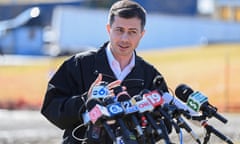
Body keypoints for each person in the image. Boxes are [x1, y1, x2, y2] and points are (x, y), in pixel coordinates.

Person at [41, 0, 170, 143]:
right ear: (109, 29)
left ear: (142, 34)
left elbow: (166, 123)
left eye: (132, 32)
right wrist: (86, 99)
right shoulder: (79, 64)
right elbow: (51, 108)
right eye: (119, 30)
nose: (124, 39)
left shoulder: (150, 74)